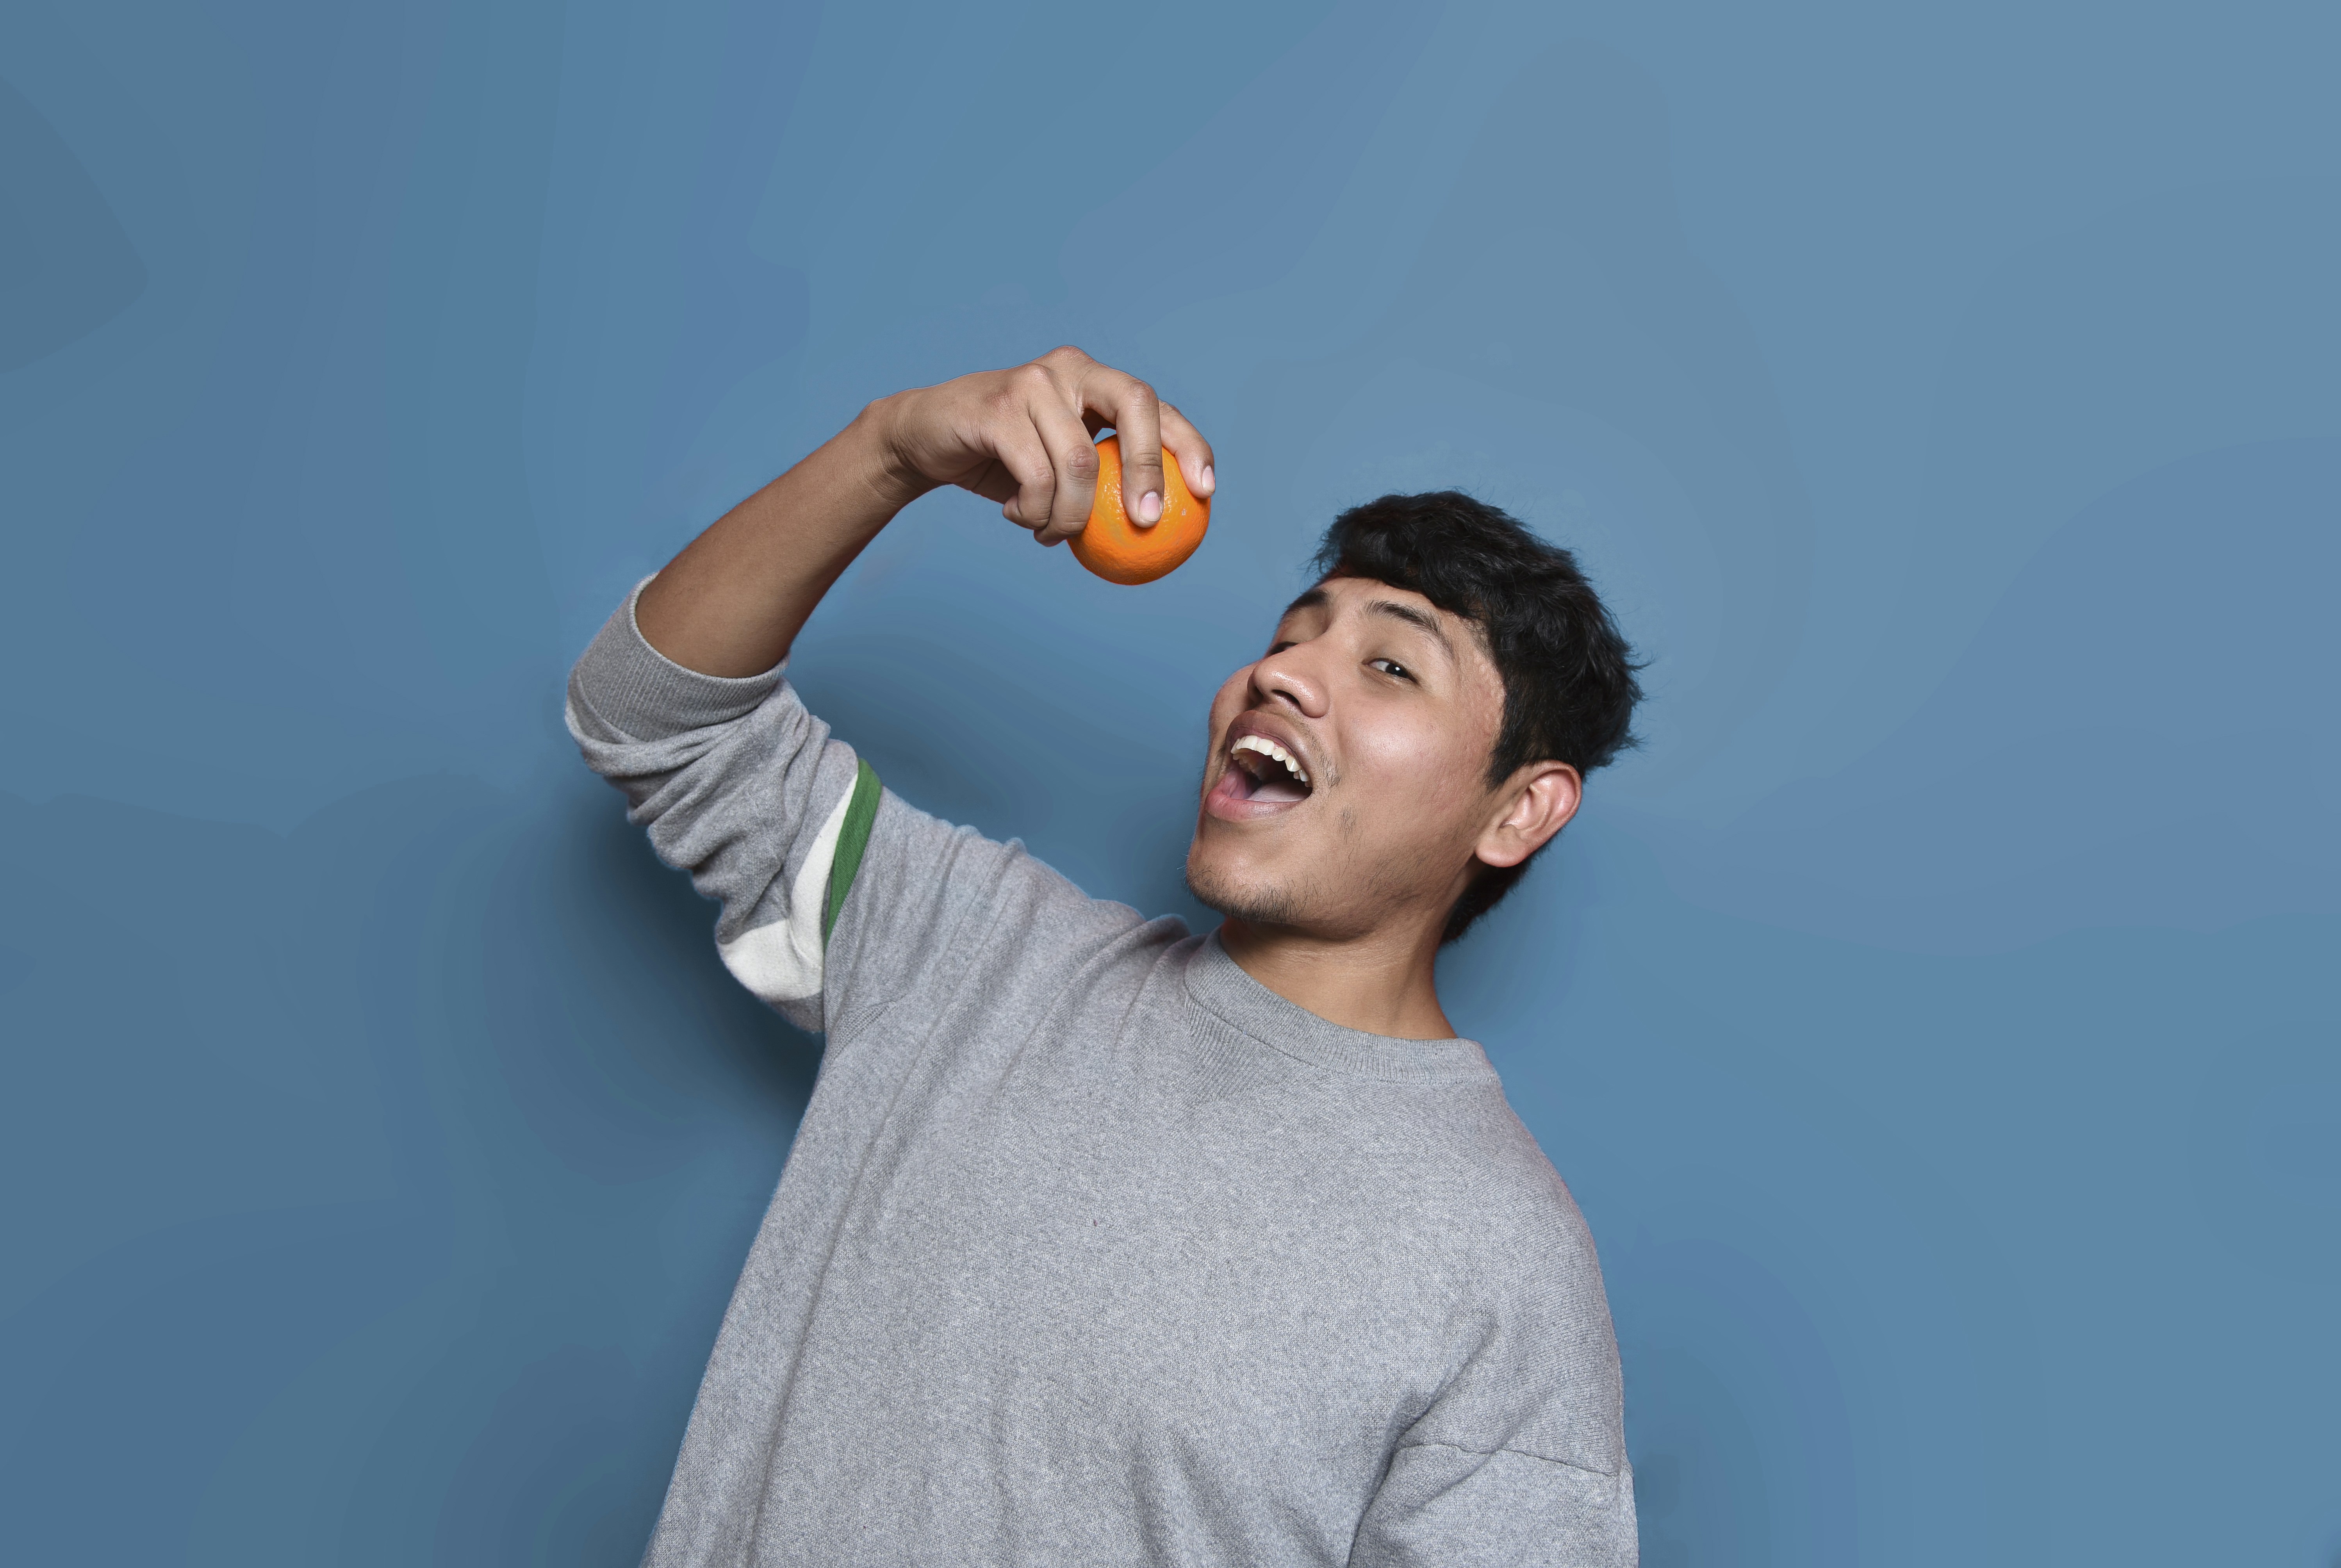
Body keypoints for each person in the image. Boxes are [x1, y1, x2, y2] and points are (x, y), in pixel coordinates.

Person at [567, 346, 1644, 1566]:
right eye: (1293, 636)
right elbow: (649, 714)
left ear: (1519, 812)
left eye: (1389, 666)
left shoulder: (1502, 1268)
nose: (1281, 674)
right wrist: (887, 452)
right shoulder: (967, 954)